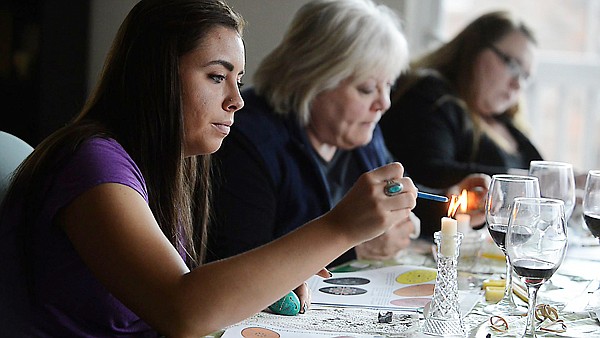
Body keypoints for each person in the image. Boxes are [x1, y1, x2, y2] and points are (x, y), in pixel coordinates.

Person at [0, 0, 417, 336]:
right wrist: (341, 227)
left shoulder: (168, 164)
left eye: (238, 79)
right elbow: (182, 310)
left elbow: (191, 288)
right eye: (217, 77)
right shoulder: (92, 163)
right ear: (158, 77)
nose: (237, 99)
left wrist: (264, 284)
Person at [208, 0, 489, 265]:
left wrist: (451, 200)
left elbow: (393, 205)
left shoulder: (358, 133)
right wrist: (353, 249)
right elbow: (239, 262)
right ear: (313, 79)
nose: (384, 103)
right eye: (367, 89)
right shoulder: (247, 140)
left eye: (388, 86)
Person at [380, 10, 543, 191]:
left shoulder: (505, 120)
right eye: (513, 64)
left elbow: (542, 179)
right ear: (476, 48)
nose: (517, 84)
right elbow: (430, 173)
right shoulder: (430, 96)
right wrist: (523, 180)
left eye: (525, 77)